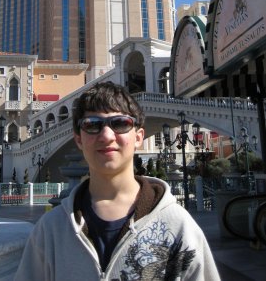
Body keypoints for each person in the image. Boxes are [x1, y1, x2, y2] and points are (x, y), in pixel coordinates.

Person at [15, 81, 220, 280]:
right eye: (92, 125)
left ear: (139, 137)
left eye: (120, 123)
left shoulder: (178, 226)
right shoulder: (51, 230)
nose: (106, 136)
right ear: (78, 139)